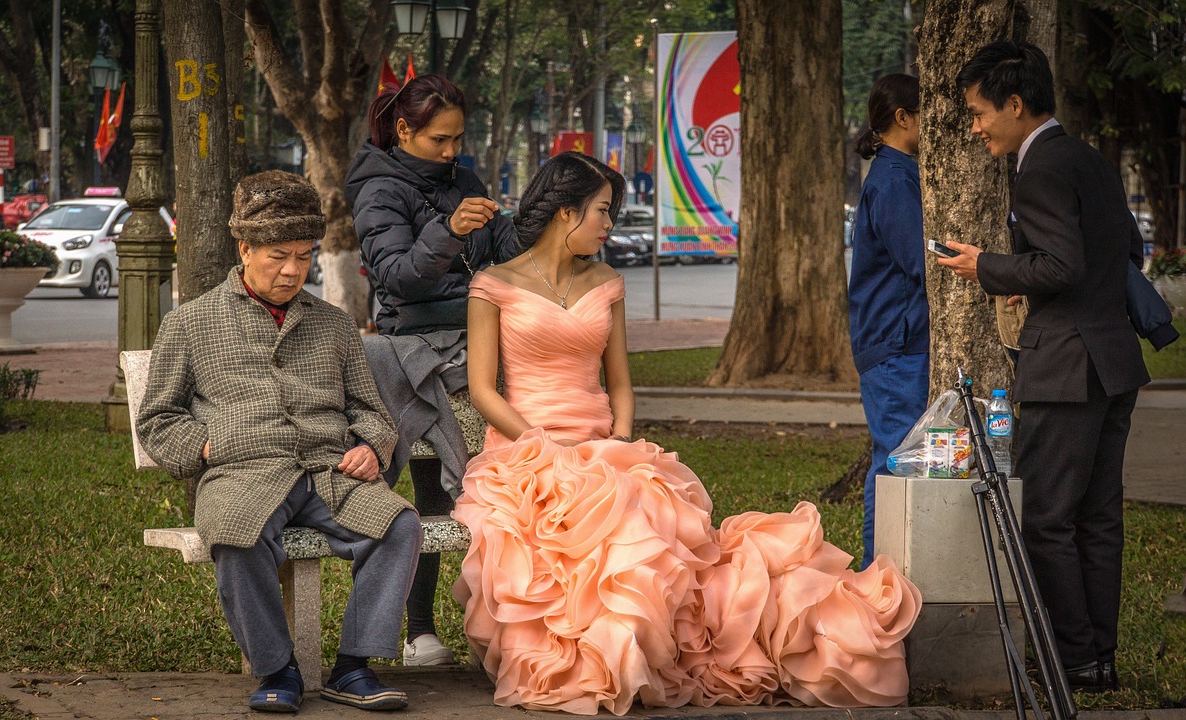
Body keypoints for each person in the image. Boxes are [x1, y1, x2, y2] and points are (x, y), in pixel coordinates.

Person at [453, 151, 923, 714]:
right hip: (525, 452)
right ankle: (596, 654)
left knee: (643, 521)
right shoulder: (494, 285)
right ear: (565, 212)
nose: (610, 224)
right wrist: (547, 447)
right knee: (592, 530)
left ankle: (638, 646)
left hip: (604, 448)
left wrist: (620, 440)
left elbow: (619, 383)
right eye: (602, 211)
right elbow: (483, 391)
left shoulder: (606, 282)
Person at [137, 170, 421, 713]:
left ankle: (353, 667)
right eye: (278, 256)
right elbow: (158, 419)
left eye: (304, 256)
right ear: (244, 249)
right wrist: (207, 449)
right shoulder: (191, 323)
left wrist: (370, 444)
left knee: (399, 526)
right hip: (241, 474)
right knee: (234, 536)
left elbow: (371, 411)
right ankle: (276, 669)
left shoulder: (334, 324)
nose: (293, 270)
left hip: (329, 474)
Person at [938, 41, 1149, 693]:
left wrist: (989, 266)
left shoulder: (1040, 170)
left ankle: (1073, 657)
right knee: (1097, 519)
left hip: (1066, 368)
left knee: (1046, 519)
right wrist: (1022, 274)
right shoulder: (1090, 160)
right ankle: (1098, 659)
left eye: (979, 113)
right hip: (1113, 360)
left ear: (1015, 104)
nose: (976, 128)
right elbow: (1126, 249)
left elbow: (1061, 264)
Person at [345, 73, 517, 667]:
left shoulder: (463, 181)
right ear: (403, 130)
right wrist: (449, 231)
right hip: (413, 345)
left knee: (463, 492)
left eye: (458, 139)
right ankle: (416, 631)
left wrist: (533, 222)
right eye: (439, 140)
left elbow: (505, 253)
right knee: (421, 492)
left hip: (480, 338)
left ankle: (518, 625)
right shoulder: (378, 191)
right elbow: (396, 279)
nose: (451, 152)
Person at [847, 73, 927, 569]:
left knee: (898, 461)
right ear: (903, 117)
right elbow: (921, 262)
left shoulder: (895, 174)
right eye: (927, 114)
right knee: (896, 464)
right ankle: (876, 580)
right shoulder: (894, 180)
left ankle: (881, 579)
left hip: (894, 341)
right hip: (895, 345)